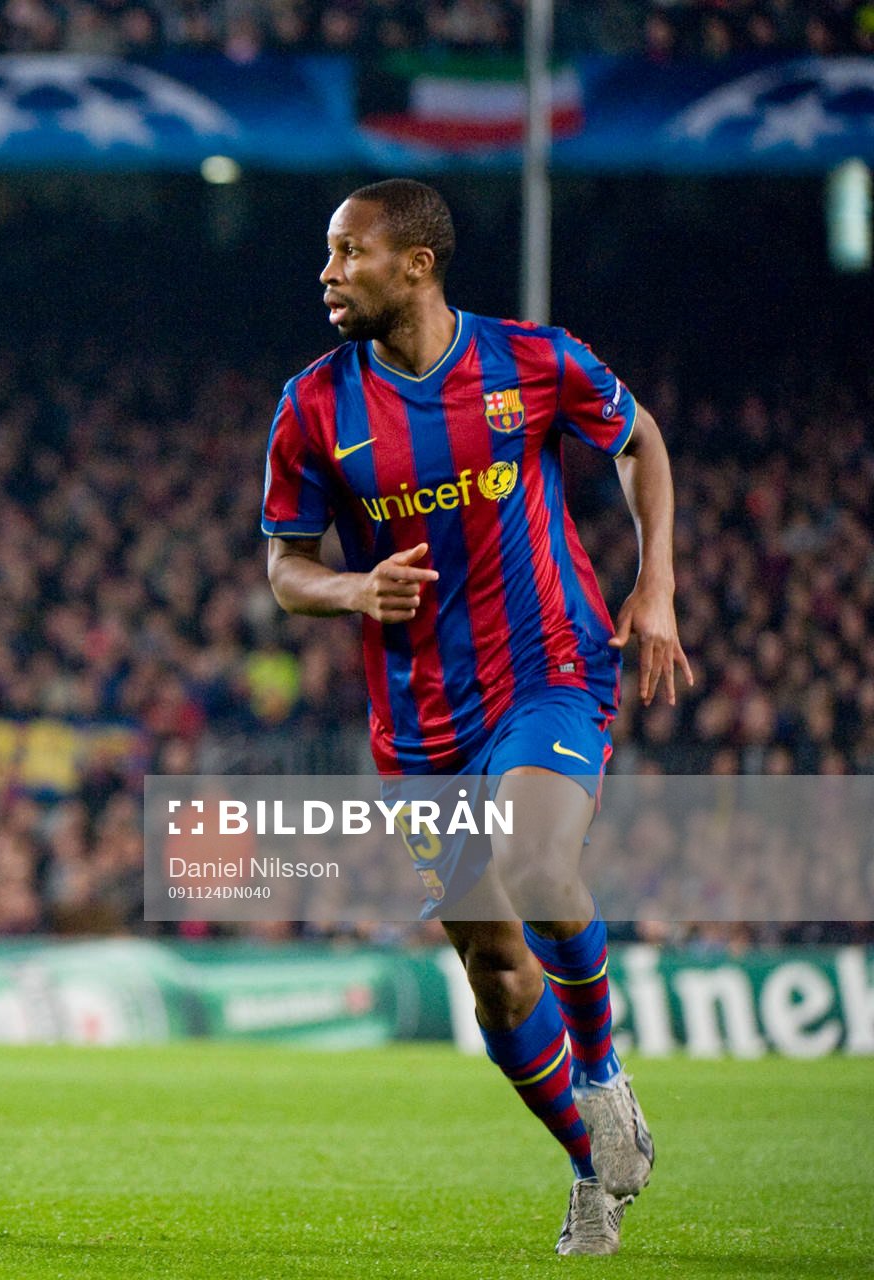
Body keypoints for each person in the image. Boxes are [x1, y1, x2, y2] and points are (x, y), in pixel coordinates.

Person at [261, 179, 691, 1256]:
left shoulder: (532, 361)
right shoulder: (314, 403)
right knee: (496, 974)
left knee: (540, 865)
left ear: (417, 263)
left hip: (550, 668)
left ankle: (600, 1075)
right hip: (417, 722)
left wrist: (658, 586)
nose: (327, 273)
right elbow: (283, 568)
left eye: (347, 251)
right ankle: (592, 1168)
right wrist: (353, 590)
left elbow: (639, 442)